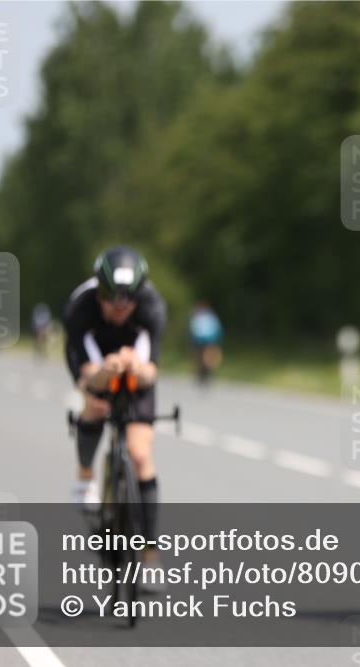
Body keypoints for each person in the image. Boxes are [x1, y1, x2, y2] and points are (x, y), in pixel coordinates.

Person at [62, 246, 167, 575]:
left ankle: (150, 555)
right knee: (93, 407)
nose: (120, 309)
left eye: (128, 302)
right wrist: (105, 372)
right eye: (112, 301)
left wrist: (134, 367)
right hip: (95, 362)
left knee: (139, 454)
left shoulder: (152, 308)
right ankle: (84, 477)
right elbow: (85, 375)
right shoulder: (80, 308)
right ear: (100, 294)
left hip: (135, 372)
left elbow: (152, 372)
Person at [188, 301, 223, 382]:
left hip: (202, 340)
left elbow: (194, 329)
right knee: (205, 358)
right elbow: (217, 328)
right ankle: (203, 374)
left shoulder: (199, 317)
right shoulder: (210, 316)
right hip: (207, 340)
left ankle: (204, 374)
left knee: (203, 358)